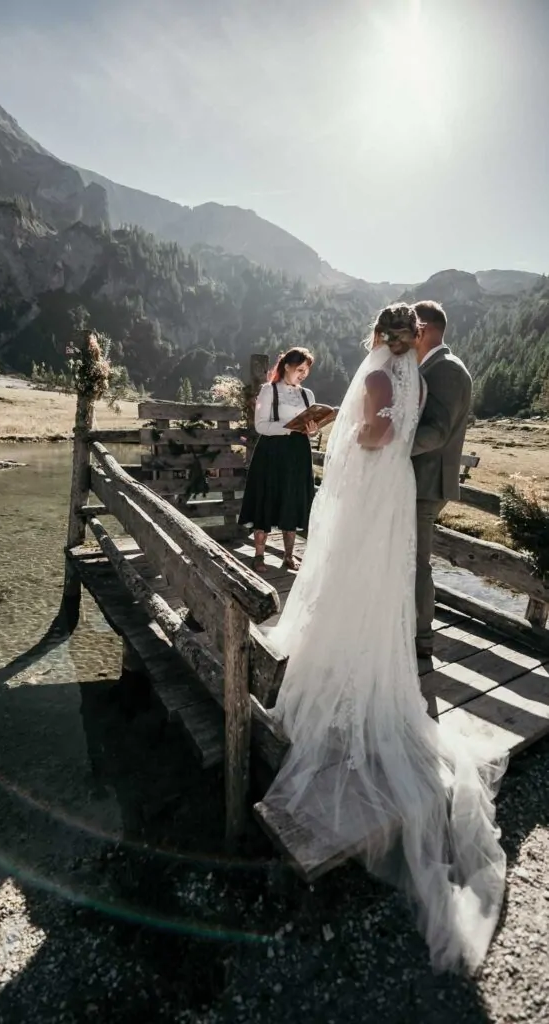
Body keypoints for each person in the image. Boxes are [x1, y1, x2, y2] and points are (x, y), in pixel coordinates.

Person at [265, 303, 506, 974]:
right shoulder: (417, 378)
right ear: (413, 337)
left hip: (378, 489)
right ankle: (378, 662)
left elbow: (373, 439)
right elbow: (401, 430)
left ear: (380, 335)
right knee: (382, 584)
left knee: (358, 577)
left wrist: (348, 429)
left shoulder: (379, 378)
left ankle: (345, 670)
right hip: (395, 491)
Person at [411, 300, 472, 660]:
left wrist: (390, 449)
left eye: (413, 329)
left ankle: (422, 637)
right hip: (420, 479)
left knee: (417, 561)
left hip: (427, 482)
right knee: (409, 557)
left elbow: (434, 433)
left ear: (426, 328)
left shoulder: (446, 369)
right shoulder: (432, 366)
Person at [238, 347, 321, 573]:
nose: (304, 374)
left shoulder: (308, 395)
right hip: (272, 451)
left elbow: (310, 427)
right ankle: (258, 556)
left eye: (307, 371)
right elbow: (260, 426)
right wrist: (288, 428)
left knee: (292, 499)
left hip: (298, 452)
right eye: (300, 369)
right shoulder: (268, 391)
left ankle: (289, 556)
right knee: (266, 496)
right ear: (287, 366)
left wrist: (312, 431)